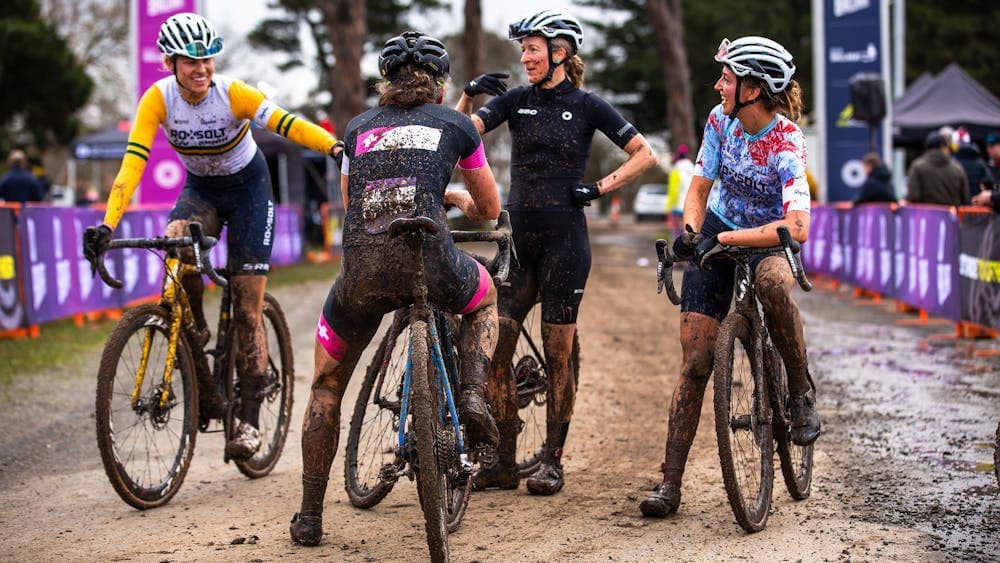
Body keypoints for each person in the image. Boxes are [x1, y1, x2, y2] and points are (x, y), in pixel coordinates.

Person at [81, 13, 340, 460]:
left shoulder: (233, 94)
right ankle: (195, 325)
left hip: (249, 192)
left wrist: (334, 147)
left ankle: (251, 420)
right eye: (190, 62)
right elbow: (133, 163)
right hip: (201, 189)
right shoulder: (157, 99)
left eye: (207, 60)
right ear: (170, 63)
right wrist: (108, 223)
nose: (201, 69)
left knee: (245, 306)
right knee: (176, 242)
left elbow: (287, 125)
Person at [289, 31, 502, 546]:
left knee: (326, 385)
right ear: (440, 84)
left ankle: (310, 515)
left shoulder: (358, 126)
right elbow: (490, 208)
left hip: (361, 271)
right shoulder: (456, 123)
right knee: (486, 296)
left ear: (386, 83)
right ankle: (472, 394)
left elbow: (350, 200)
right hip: (432, 261)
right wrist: (454, 200)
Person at [457, 9, 656, 496]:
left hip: (566, 242)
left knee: (558, 352)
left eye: (532, 48)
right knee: (497, 344)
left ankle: (553, 460)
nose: (525, 57)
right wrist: (468, 94)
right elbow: (459, 135)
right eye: (523, 49)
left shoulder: (588, 104)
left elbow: (645, 154)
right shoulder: (515, 101)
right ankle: (504, 462)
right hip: (518, 240)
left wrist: (597, 189)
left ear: (560, 52)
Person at [639, 36, 819, 518]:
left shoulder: (786, 140)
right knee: (696, 358)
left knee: (774, 285)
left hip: (768, 235)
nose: (718, 85)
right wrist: (694, 232)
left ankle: (798, 392)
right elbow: (698, 188)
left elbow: (797, 225)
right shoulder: (720, 120)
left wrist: (732, 242)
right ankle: (669, 483)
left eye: (727, 78)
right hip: (720, 225)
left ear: (754, 89)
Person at [903, 132, 969, 207]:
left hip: (924, 216)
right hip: (951, 216)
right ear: (943, 147)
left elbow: (912, 196)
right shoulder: (957, 168)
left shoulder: (917, 166)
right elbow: (965, 198)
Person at [950, 127, 994, 193]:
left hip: (956, 202)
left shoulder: (950, 162)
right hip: (976, 201)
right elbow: (990, 183)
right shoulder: (980, 163)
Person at [666, 144, 694, 232]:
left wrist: (668, 208)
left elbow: (673, 191)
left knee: (677, 234)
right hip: (691, 206)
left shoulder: (676, 170)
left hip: (677, 206)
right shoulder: (693, 169)